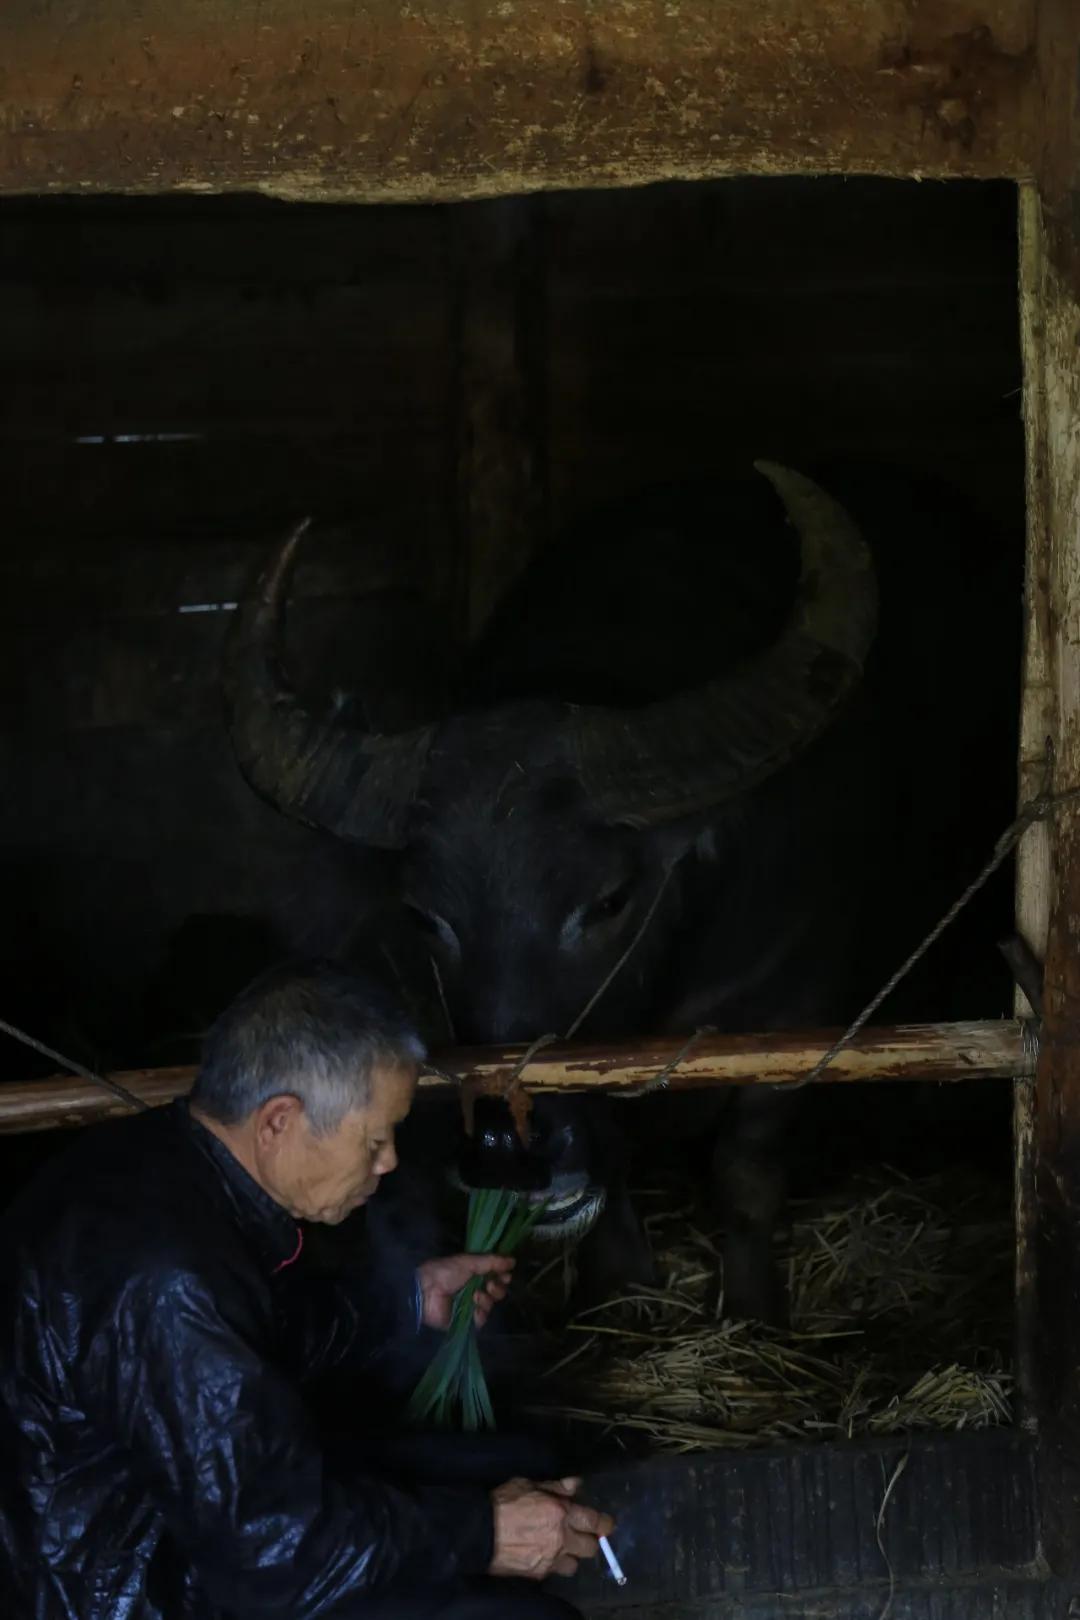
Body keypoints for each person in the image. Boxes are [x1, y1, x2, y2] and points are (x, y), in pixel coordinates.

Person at [0, 961, 614, 1618]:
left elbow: (249, 1340)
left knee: (519, 1463)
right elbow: (270, 1554)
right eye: (374, 1138)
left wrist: (404, 1302)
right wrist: (486, 1534)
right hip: (128, 1582)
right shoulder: (166, 1280)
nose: (389, 1162)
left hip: (178, 1511)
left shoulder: (169, 1164)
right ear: (278, 1122)